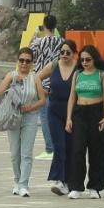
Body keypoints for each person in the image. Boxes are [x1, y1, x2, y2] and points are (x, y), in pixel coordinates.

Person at [0, 49, 46, 195]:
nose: (24, 63)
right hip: (13, 115)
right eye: (21, 60)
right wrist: (12, 82)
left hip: (30, 116)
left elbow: (42, 100)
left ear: (32, 63)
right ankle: (17, 180)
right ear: (18, 61)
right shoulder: (12, 75)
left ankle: (24, 184)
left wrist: (31, 106)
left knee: (26, 153)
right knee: (14, 152)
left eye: (27, 61)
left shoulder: (35, 78)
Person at [65, 45, 104, 199]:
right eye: (82, 59)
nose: (84, 62)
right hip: (79, 113)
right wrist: (69, 118)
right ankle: (76, 186)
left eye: (88, 59)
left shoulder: (101, 75)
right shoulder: (77, 74)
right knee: (77, 150)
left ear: (94, 59)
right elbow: (72, 96)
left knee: (97, 152)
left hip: (96, 113)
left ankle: (94, 186)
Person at [37, 40, 79, 194]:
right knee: (59, 145)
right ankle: (58, 179)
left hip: (73, 112)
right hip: (54, 111)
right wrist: (43, 94)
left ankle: (68, 180)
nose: (64, 55)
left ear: (74, 53)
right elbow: (37, 77)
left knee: (70, 147)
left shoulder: (79, 68)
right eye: (62, 52)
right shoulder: (54, 65)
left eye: (68, 52)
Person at [28, 17, 64, 157]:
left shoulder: (39, 42)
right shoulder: (62, 42)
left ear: (44, 26)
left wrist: (35, 35)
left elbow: (30, 55)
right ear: (55, 26)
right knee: (58, 116)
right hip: (58, 81)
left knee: (45, 116)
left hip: (42, 83)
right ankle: (59, 146)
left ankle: (50, 148)